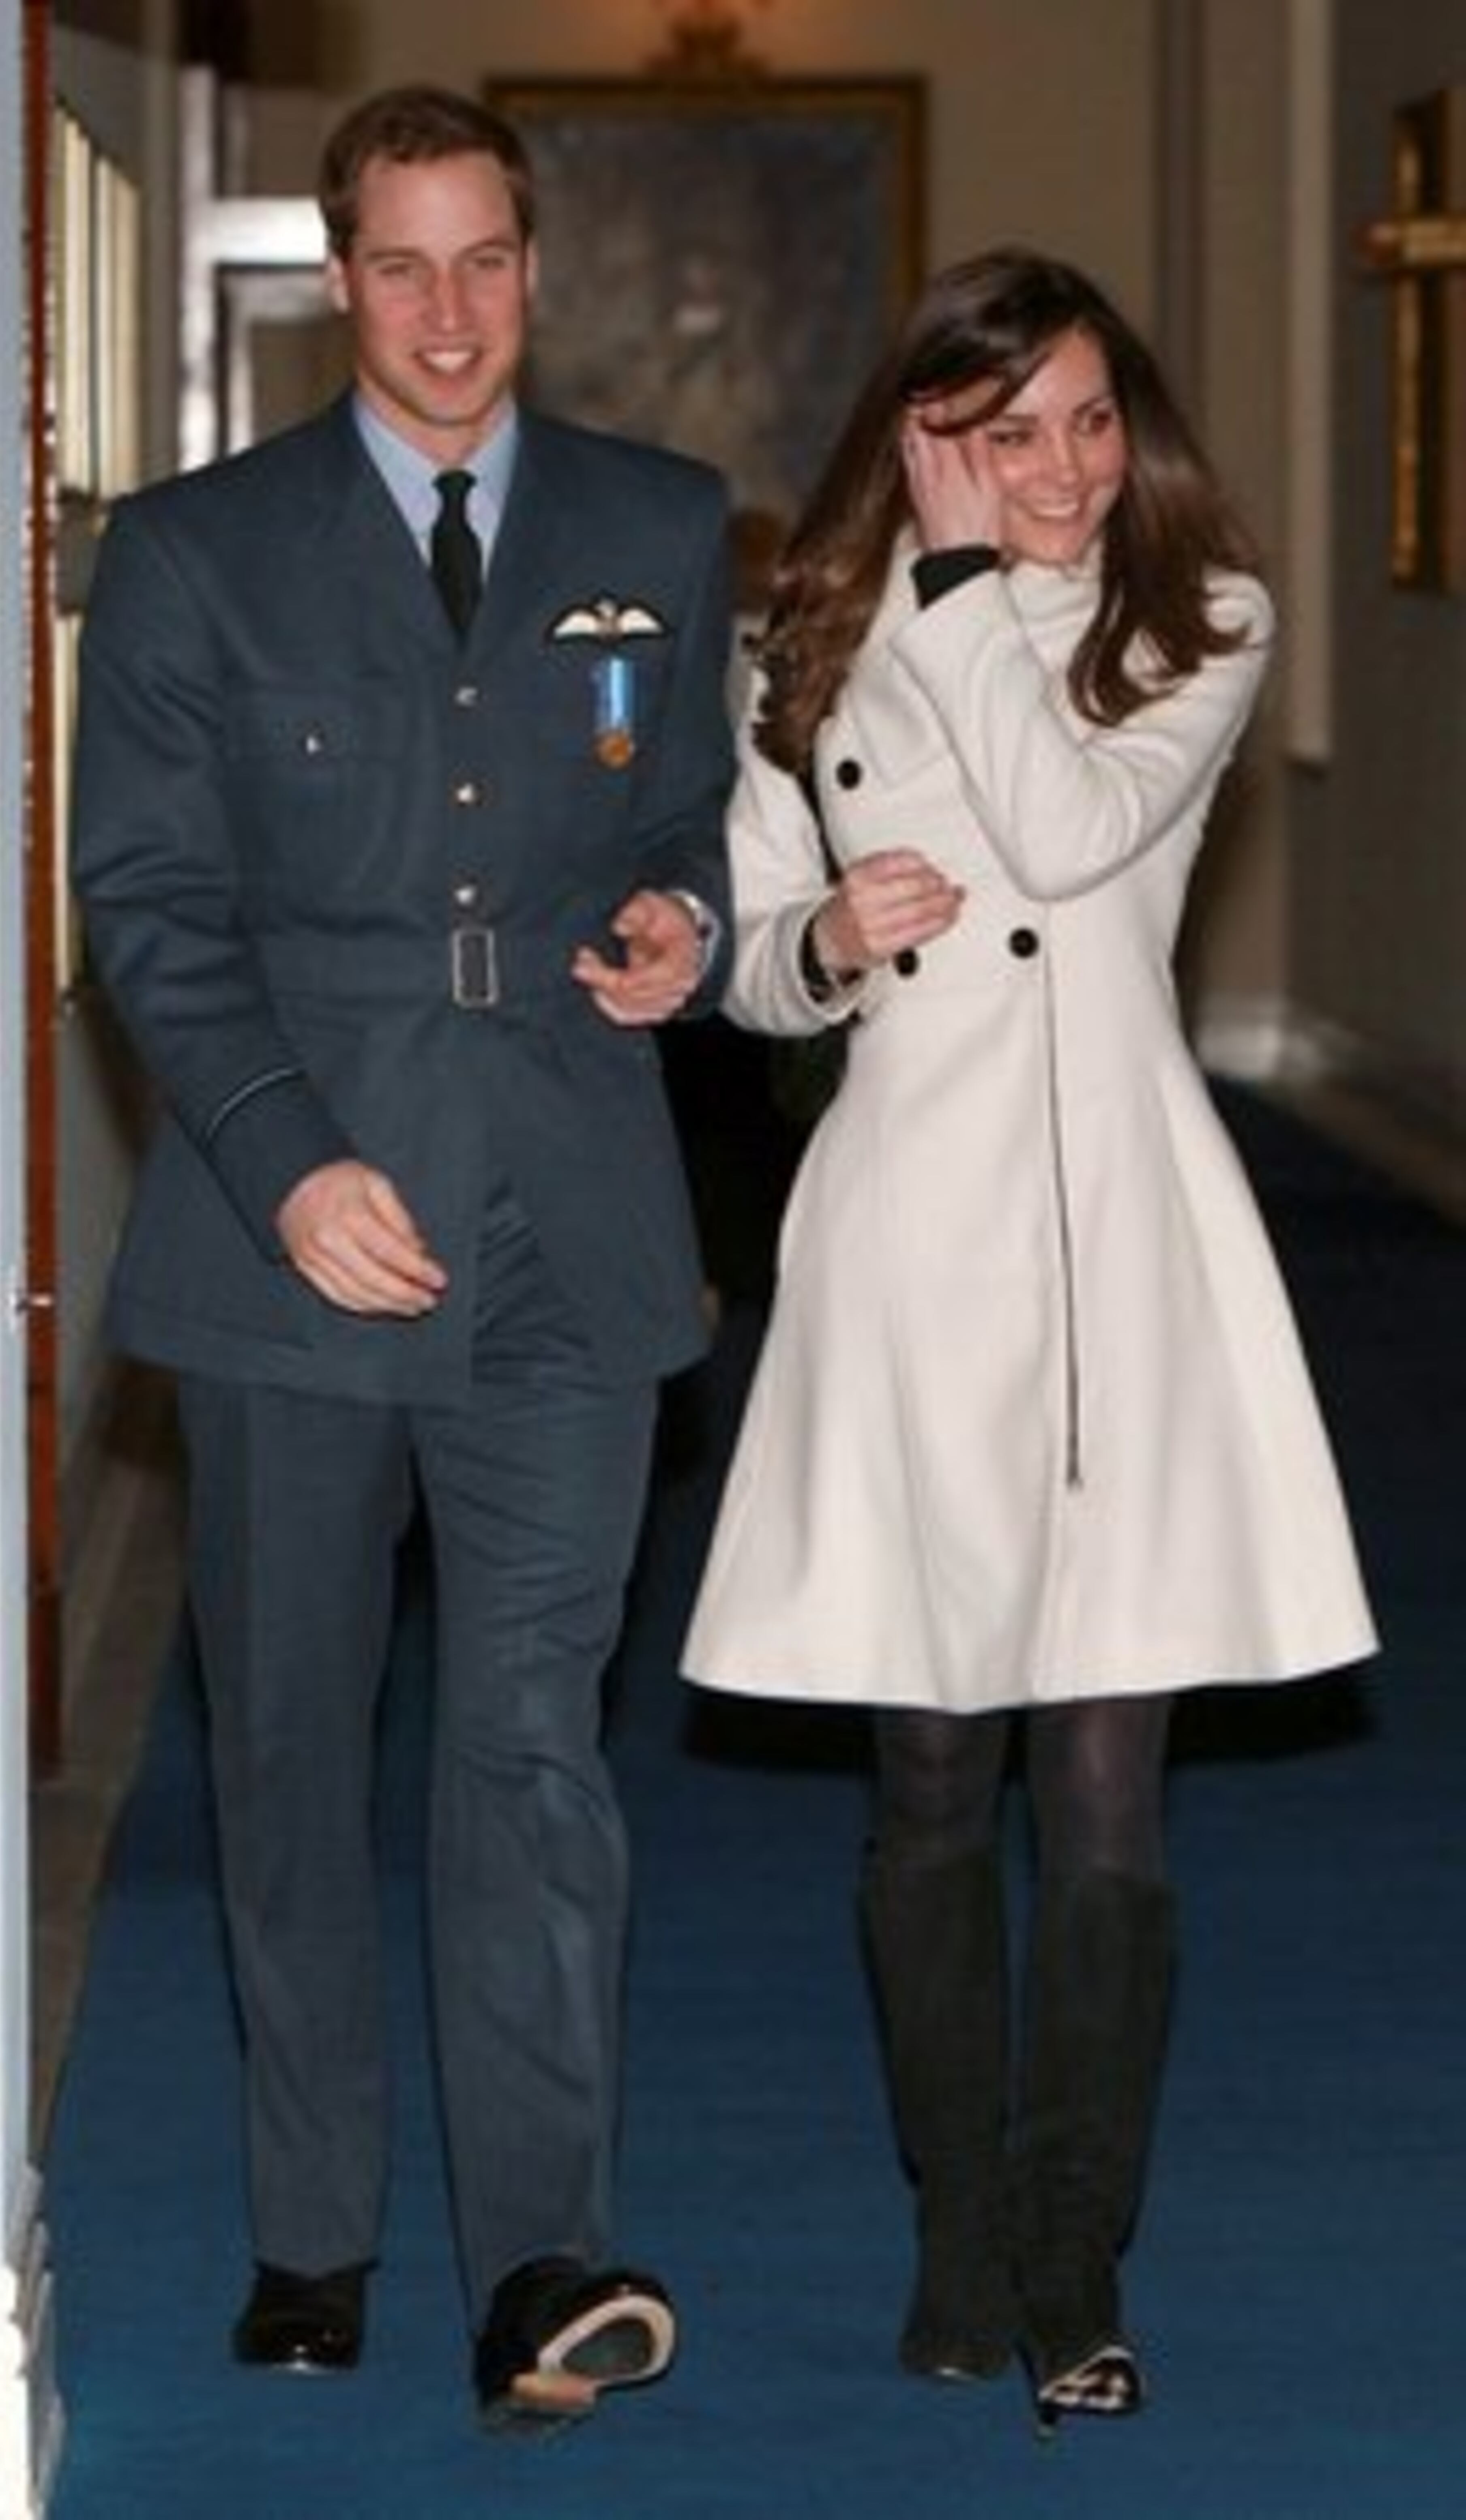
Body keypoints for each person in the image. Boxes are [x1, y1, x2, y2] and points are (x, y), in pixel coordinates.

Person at [71, 84, 733, 2431]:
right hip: (299, 1236)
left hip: (567, 1209)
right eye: (405, 268)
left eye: (490, 264)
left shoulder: (661, 524)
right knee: (288, 1737)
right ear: (337, 282)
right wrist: (279, 1158)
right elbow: (145, 905)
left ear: (531, 269)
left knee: (534, 1742)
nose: (451, 317)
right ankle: (312, 2220)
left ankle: (544, 2250)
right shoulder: (194, 552)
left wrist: (684, 921)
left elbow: (680, 816)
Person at [681, 248, 1376, 2433]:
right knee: (921, 1770)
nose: (1063, 466)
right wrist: (813, 930)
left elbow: (1071, 841)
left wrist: (969, 580)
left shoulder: (1203, 625)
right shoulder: (801, 641)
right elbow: (756, 965)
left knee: (1101, 1784)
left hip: (1116, 1252)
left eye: (1090, 418)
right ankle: (956, 2221)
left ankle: (1077, 2248)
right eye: (1009, 430)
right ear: (925, 434)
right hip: (905, 1236)